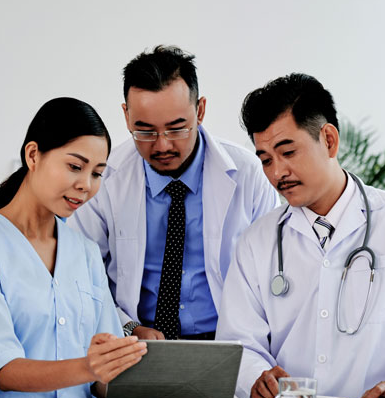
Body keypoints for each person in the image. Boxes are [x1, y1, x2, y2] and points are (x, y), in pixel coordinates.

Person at [215, 74, 385, 398]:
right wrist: (255, 375)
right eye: (265, 159)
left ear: (330, 140)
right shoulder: (256, 243)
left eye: (288, 151)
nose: (277, 172)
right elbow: (238, 342)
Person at [0, 98, 147, 398]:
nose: (86, 185)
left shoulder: (85, 253)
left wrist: (165, 387)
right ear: (33, 155)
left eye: (97, 173)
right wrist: (88, 367)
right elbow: (0, 370)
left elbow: (104, 375)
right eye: (75, 166)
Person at [69, 46, 279, 341]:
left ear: (200, 110)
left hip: (226, 342)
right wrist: (127, 327)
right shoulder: (105, 177)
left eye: (176, 128)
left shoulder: (248, 173)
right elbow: (82, 279)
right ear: (127, 116)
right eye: (145, 131)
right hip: (133, 340)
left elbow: (270, 277)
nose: (162, 145)